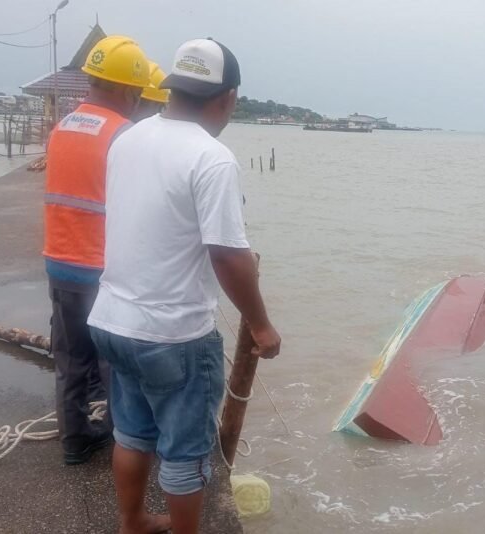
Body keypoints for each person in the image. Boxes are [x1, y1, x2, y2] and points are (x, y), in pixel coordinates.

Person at [88, 38, 281, 534]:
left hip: (112, 322)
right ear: (229, 98)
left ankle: (132, 522)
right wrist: (260, 326)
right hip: (172, 337)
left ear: (172, 86)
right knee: (186, 450)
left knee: (131, 434)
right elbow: (229, 255)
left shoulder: (126, 138)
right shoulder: (212, 157)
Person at [43, 35, 150, 466]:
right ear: (127, 89)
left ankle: (73, 442)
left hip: (59, 262)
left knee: (70, 359)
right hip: (103, 268)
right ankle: (122, 440)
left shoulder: (63, 126)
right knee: (113, 363)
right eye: (139, 95)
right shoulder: (123, 135)